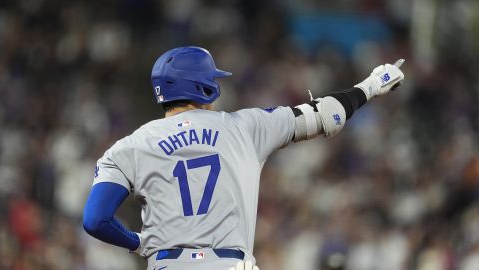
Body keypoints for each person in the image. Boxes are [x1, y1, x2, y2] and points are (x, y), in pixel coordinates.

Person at [82, 46, 405, 270]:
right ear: (205, 87)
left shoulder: (129, 146)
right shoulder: (245, 127)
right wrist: (372, 85)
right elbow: (325, 114)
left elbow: (96, 220)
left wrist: (137, 243)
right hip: (229, 263)